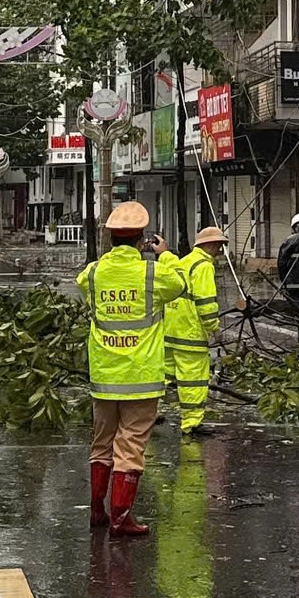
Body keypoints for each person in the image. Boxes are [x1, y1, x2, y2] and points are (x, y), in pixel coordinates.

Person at [79, 201, 189, 537]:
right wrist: (165, 255)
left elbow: (83, 285)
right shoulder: (153, 273)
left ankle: (97, 511)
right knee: (130, 446)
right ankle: (120, 518)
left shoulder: (94, 273)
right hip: (140, 377)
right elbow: (180, 285)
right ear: (142, 238)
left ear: (110, 237)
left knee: (102, 443)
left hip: (104, 375)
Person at [165, 226, 227, 435]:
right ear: (208, 245)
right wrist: (214, 329)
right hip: (189, 333)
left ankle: (146, 413)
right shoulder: (203, 266)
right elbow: (206, 302)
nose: (219, 250)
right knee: (193, 379)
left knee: (161, 376)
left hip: (170, 330)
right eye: (218, 245)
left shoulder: (184, 262)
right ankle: (191, 423)